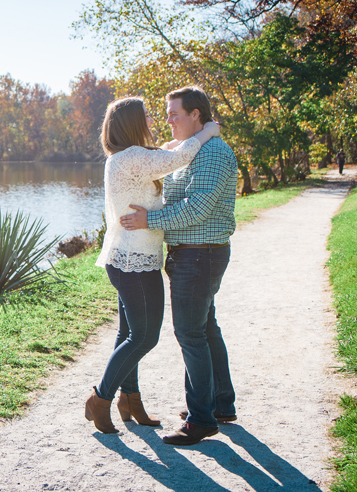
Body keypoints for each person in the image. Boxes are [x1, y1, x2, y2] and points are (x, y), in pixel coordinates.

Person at [84, 96, 221, 434]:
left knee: (128, 333)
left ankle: (130, 401)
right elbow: (178, 157)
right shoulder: (133, 158)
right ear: (132, 122)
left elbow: (166, 152)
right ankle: (100, 398)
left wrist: (183, 141)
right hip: (135, 262)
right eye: (145, 114)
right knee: (144, 337)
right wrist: (208, 132)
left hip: (125, 257)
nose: (151, 118)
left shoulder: (124, 157)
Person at [120, 86, 238, 446]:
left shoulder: (213, 154)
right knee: (205, 329)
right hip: (191, 253)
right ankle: (220, 404)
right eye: (167, 113)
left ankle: (201, 419)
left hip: (200, 254)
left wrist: (149, 220)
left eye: (174, 113)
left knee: (190, 334)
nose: (168, 120)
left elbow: (195, 208)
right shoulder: (194, 151)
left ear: (195, 115)